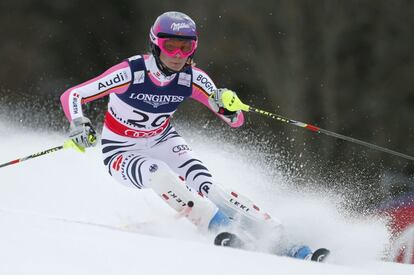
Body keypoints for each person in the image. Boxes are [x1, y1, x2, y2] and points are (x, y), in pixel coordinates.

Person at [60, 11, 327, 261]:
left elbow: (234, 120)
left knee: (208, 185)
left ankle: (281, 238)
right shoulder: (131, 73)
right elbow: (73, 95)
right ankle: (216, 224)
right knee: (160, 174)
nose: (178, 54)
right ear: (155, 45)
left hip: (163, 140)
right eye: (170, 46)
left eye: (186, 47)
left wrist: (229, 105)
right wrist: (78, 122)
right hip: (121, 151)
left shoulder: (192, 79)